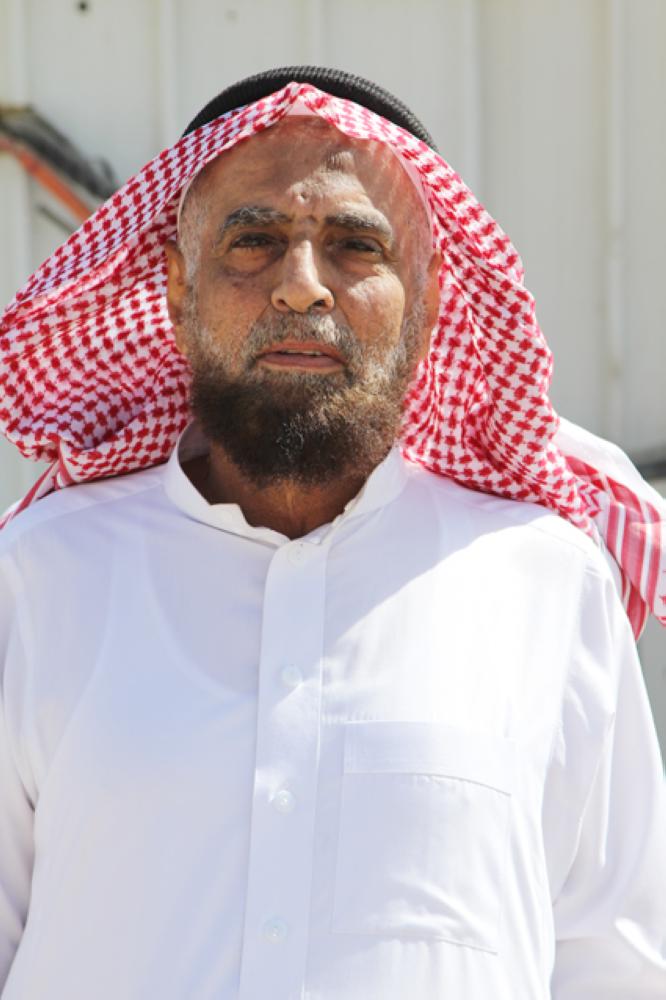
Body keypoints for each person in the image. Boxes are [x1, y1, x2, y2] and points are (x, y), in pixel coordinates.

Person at [0, 66, 664, 1000]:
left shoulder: (549, 585)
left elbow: (617, 968)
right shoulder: (38, 579)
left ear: (428, 300)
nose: (302, 287)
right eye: (254, 241)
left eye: (356, 244)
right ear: (178, 291)